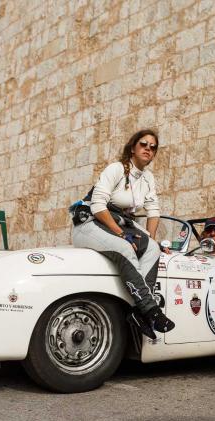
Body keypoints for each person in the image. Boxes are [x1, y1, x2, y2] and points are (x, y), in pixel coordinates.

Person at [71, 129, 175, 339]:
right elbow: (98, 206)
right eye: (144, 144)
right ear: (133, 147)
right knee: (125, 247)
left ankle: (137, 312)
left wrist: (150, 239)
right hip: (90, 224)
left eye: (153, 147)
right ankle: (151, 311)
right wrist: (121, 234)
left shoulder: (148, 179)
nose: (148, 149)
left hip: (120, 225)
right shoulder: (116, 169)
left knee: (153, 249)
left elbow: (153, 211)